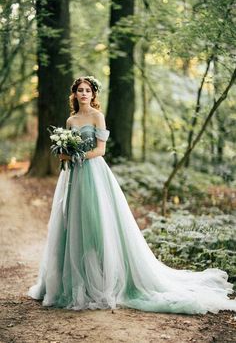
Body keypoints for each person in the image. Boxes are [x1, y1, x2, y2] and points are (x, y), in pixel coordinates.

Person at [27, 76, 236, 314]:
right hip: (73, 177)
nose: (84, 94)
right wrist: (66, 154)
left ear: (93, 95)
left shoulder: (97, 116)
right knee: (73, 221)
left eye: (88, 90)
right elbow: (65, 152)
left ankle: (103, 278)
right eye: (80, 91)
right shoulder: (71, 119)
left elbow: (101, 150)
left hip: (94, 174)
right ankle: (74, 281)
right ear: (74, 95)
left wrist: (79, 156)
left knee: (97, 220)